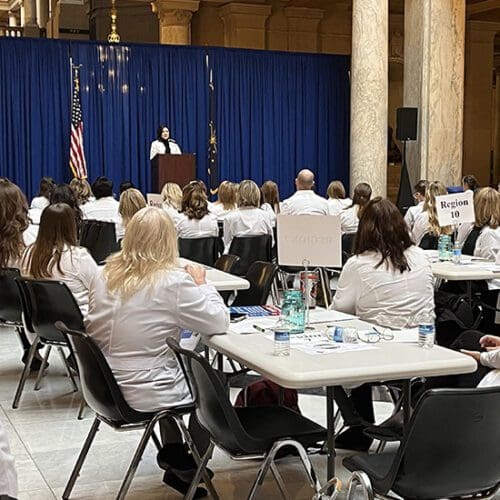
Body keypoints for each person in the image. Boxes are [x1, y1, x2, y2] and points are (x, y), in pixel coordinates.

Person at [85, 207, 229, 495]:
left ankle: (175, 453)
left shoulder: (102, 274)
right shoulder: (172, 281)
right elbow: (218, 321)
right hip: (145, 390)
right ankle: (191, 466)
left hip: (101, 385)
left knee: (182, 366)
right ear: (169, 241)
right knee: (215, 382)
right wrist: (203, 286)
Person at [333, 198, 435, 450]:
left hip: (379, 354)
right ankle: (410, 408)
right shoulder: (421, 257)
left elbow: (340, 310)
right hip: (425, 348)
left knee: (332, 355)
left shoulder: (358, 264)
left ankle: (359, 425)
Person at [21, 203, 98, 317]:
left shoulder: (28, 253)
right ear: (72, 226)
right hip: (76, 324)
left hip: (40, 323)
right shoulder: (77, 256)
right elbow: (98, 288)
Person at [223, 180, 274, 252]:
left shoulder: (229, 218)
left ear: (238, 195)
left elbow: (227, 244)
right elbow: (271, 243)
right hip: (261, 261)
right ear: (257, 195)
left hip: (237, 262)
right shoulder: (265, 216)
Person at [411, 181, 452, 247]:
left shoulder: (423, 217)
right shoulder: (451, 217)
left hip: (424, 256)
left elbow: (414, 240)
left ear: (428, 197)